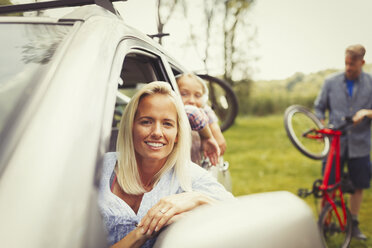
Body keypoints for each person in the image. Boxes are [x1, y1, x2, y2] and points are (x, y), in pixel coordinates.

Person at [98, 81, 234, 248]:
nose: (157, 132)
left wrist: (198, 198)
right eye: (146, 122)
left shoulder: (189, 176)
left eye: (167, 124)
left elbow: (238, 217)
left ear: (177, 134)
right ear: (130, 126)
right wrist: (142, 233)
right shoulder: (99, 169)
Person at [314, 44, 372, 240]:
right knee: (327, 184)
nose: (348, 68)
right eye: (346, 63)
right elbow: (319, 107)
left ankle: (353, 224)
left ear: (362, 63)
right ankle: (324, 224)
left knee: (358, 184)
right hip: (335, 143)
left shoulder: (370, 82)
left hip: (360, 144)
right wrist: (320, 124)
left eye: (353, 65)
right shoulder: (330, 82)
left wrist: (367, 113)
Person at [176, 73, 227, 165]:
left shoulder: (202, 110)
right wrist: (209, 136)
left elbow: (206, 109)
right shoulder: (173, 112)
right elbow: (192, 112)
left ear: (204, 98)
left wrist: (215, 129)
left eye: (197, 95)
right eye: (184, 94)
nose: (192, 100)